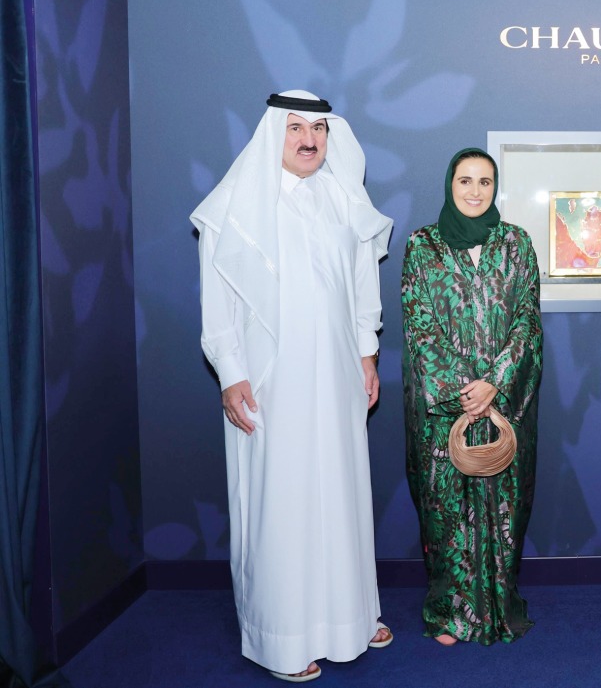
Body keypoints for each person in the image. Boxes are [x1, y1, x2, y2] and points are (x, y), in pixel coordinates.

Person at [191, 90, 394, 682]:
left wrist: (366, 352)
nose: (310, 140)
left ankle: (351, 620)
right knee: (280, 499)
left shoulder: (342, 198)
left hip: (336, 374)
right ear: (274, 133)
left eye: (320, 130)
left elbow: (362, 286)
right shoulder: (234, 204)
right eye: (296, 129)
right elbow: (218, 301)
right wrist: (231, 374)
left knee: (340, 490)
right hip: (269, 378)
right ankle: (280, 637)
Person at [402, 147, 543, 646]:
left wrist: (496, 381)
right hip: (447, 409)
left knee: (504, 505)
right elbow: (420, 329)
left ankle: (499, 606)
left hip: (504, 402)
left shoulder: (517, 244)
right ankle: (451, 613)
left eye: (485, 182)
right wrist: (466, 388)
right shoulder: (424, 246)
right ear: (449, 184)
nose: (475, 191)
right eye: (465, 180)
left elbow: (528, 321)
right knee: (447, 509)